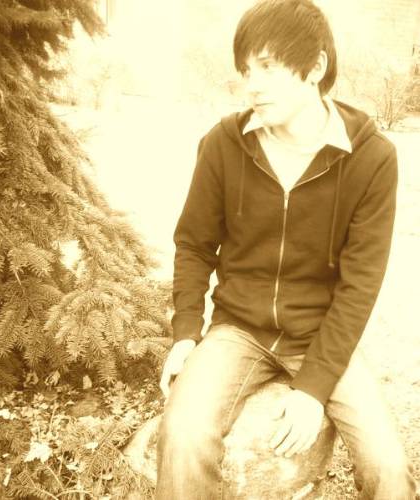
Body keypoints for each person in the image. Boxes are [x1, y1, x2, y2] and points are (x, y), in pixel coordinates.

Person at [156, 0, 417, 498]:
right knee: (183, 436)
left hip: (320, 333)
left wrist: (313, 389)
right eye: (245, 70)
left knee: (388, 467)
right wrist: (186, 334)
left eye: (268, 66)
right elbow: (193, 244)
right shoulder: (223, 144)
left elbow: (360, 286)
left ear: (315, 67)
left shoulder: (372, 158)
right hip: (236, 330)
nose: (252, 85)